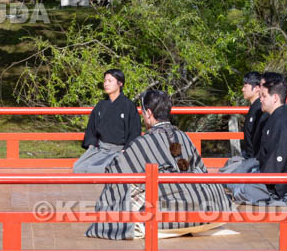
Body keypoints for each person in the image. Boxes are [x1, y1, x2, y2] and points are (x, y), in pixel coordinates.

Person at [86, 89, 234, 240]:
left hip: (170, 211)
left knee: (126, 190)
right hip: (210, 208)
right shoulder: (183, 136)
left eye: (142, 112)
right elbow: (201, 170)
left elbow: (114, 173)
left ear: (148, 113)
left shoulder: (141, 143)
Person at [231, 79, 287, 205]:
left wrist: (261, 179)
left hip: (280, 183)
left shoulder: (283, 121)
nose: (261, 99)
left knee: (240, 189)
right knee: (235, 181)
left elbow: (279, 160)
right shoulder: (275, 116)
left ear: (275, 98)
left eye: (264, 96)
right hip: (267, 173)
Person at [73, 68, 141, 174]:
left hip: (119, 150)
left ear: (120, 83)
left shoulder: (129, 106)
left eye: (110, 81)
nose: (106, 84)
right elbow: (92, 128)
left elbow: (135, 132)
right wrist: (92, 145)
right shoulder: (101, 105)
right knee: (78, 168)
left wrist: (126, 149)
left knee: (95, 170)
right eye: (105, 81)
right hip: (101, 149)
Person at [219, 71, 265, 175]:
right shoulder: (254, 108)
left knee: (225, 175)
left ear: (257, 88)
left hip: (255, 161)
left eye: (245, 86)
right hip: (249, 157)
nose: (242, 89)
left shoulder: (260, 110)